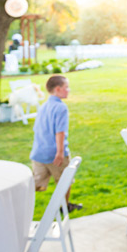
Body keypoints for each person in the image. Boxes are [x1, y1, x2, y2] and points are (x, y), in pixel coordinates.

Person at [30, 75, 81, 213]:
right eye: (66, 88)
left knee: (34, 185)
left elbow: (38, 129)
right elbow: (60, 132)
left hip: (38, 153)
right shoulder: (61, 108)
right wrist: (59, 153)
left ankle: (21, 205)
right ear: (58, 89)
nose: (68, 90)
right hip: (54, 154)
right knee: (65, 180)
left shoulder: (43, 106)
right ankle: (65, 207)